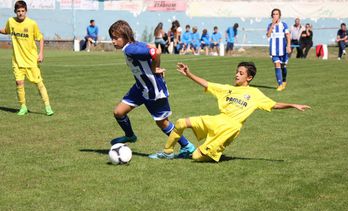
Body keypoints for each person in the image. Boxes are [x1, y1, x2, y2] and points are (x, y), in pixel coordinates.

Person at [149, 62, 310, 161]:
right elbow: (207, 84)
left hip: (230, 128)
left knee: (196, 157)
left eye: (241, 73)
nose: (236, 75)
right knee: (180, 122)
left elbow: (274, 105)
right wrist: (188, 73)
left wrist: (293, 105)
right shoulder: (227, 89)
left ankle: (195, 152)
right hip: (218, 119)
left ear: (249, 78)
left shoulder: (255, 94)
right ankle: (167, 152)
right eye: (237, 72)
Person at [108, 20, 195, 157]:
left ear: (125, 36)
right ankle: (130, 136)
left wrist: (155, 68)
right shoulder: (134, 45)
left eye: (116, 38)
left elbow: (155, 51)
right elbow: (153, 48)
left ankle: (187, 146)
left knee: (162, 123)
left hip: (153, 89)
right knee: (119, 112)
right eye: (111, 38)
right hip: (140, 87)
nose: (113, 41)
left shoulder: (131, 49)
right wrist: (156, 67)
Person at [0, 1, 54, 116]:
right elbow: (6, 30)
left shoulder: (32, 24)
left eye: (23, 11)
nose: (20, 13)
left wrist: (41, 53)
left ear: (26, 11)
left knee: (39, 84)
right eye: (18, 11)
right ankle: (23, 107)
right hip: (17, 61)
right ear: (15, 11)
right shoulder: (11, 21)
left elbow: (41, 38)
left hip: (31, 60)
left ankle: (47, 106)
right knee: (19, 83)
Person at [266, 8, 291, 91]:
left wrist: (288, 45)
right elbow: (268, 35)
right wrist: (272, 25)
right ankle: (280, 84)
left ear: (279, 15)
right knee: (277, 64)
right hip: (273, 49)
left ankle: (284, 80)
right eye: (273, 14)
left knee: (283, 66)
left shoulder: (284, 24)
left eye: (276, 14)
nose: (275, 15)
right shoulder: (270, 25)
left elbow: (287, 35)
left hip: (283, 49)